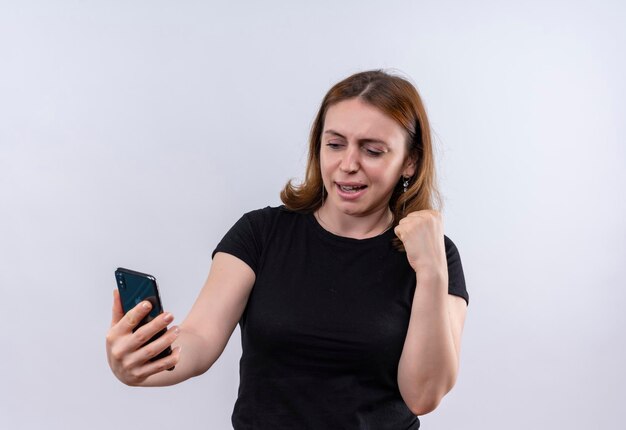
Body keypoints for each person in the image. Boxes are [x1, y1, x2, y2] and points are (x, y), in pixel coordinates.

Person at [106, 69, 469, 429]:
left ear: (410, 161)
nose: (348, 165)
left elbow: (423, 395)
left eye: (372, 151)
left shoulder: (435, 255)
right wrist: (141, 362)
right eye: (335, 144)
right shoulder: (260, 233)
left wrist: (432, 271)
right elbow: (199, 340)